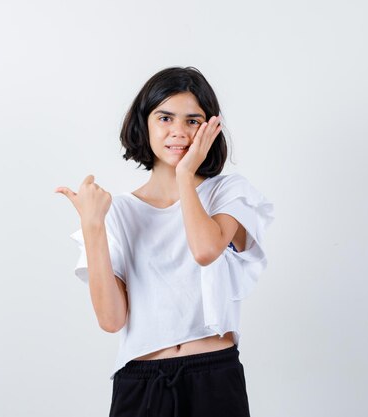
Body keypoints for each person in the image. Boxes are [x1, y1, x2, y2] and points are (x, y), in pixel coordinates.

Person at [55, 66, 275, 417]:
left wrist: (186, 174)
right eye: (165, 118)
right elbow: (111, 320)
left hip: (212, 376)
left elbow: (204, 250)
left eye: (193, 121)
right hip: (140, 382)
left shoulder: (228, 193)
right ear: (144, 124)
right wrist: (93, 226)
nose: (179, 132)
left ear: (210, 127)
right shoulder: (121, 211)